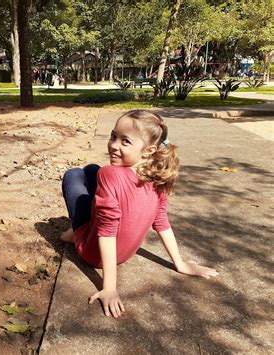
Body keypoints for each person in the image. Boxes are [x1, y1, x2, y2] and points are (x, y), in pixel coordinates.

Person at [61, 110, 218, 318]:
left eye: (125, 141)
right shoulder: (159, 177)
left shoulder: (110, 174)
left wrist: (110, 288)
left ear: (147, 150)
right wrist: (179, 263)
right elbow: (161, 221)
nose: (113, 145)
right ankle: (83, 227)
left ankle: (75, 234)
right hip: (125, 254)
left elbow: (107, 231)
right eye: (113, 136)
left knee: (74, 174)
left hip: (93, 254)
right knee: (91, 170)